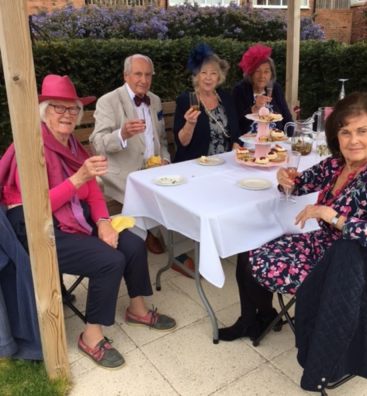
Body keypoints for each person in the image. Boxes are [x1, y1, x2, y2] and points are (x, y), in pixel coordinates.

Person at [0, 74, 176, 368]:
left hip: (70, 214)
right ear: (45, 112)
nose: (67, 115)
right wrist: (76, 179)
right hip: (34, 229)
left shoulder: (72, 145)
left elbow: (92, 190)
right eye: (59, 108)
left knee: (132, 241)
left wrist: (105, 221)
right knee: (108, 260)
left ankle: (137, 309)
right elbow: (35, 208)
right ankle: (91, 337)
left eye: (72, 109)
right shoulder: (29, 148)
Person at [219, 91, 367, 342]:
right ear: (336, 135)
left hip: (344, 266)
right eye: (345, 132)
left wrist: (330, 215)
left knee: (253, 258)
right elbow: (299, 184)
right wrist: (284, 179)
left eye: (362, 131)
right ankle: (257, 317)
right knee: (248, 248)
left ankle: (262, 318)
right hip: (321, 246)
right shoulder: (339, 163)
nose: (353, 140)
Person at [90, 54, 195, 276]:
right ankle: (156, 245)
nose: (144, 80)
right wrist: (122, 134)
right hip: (122, 176)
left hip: (153, 170)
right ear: (126, 75)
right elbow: (97, 143)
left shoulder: (154, 100)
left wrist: (165, 160)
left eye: (148, 75)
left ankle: (171, 243)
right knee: (158, 196)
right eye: (138, 74)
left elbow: (162, 141)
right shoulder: (108, 101)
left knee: (182, 188)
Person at [173, 43, 240, 162]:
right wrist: (190, 123)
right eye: (204, 73)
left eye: (213, 73)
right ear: (197, 76)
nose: (208, 78)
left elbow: (236, 131)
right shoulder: (185, 100)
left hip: (225, 162)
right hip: (196, 165)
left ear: (218, 78)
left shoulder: (226, 98)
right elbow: (182, 142)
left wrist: (236, 144)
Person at [232, 44, 293, 137]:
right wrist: (254, 108)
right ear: (251, 73)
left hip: (276, 140)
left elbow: (287, 118)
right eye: (257, 71)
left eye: (266, 71)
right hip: (250, 142)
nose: (262, 76)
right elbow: (236, 124)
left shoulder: (275, 89)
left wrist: (290, 139)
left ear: (271, 74)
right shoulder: (240, 90)